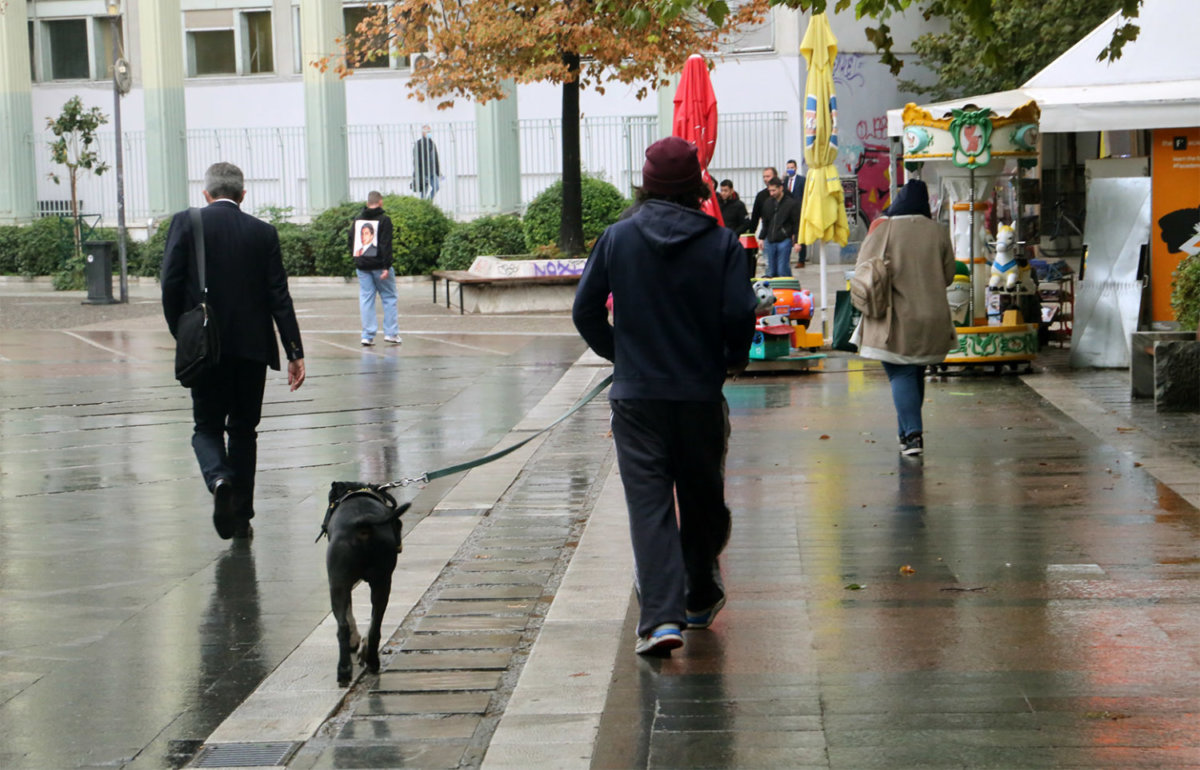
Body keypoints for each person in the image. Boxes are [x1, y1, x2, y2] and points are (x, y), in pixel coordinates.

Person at [573, 136, 757, 657]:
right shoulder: (720, 243)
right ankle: (699, 595)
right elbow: (741, 312)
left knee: (649, 503)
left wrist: (621, 357)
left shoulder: (617, 237)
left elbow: (585, 311)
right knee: (702, 497)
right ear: (697, 185)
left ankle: (660, 620)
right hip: (699, 392)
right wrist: (730, 359)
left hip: (636, 399)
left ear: (647, 184)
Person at [162, 162, 306, 541]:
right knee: (244, 431)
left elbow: (170, 283)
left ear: (206, 193)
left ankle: (219, 478)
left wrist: (182, 332)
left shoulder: (186, 222)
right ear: (243, 196)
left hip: (205, 348)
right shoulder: (263, 232)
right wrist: (294, 350)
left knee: (206, 427)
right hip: (252, 350)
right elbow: (279, 294)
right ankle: (241, 518)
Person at [853, 179, 957, 457]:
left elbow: (863, 270)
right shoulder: (939, 232)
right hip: (933, 318)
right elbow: (948, 276)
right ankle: (905, 434)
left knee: (900, 372)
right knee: (914, 370)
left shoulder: (884, 229)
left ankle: (913, 436)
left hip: (894, 318)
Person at [351, 192, 401, 347]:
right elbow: (386, 244)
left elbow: (350, 240)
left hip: (362, 265)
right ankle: (391, 333)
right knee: (389, 297)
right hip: (380, 265)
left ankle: (367, 335)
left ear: (368, 203)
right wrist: (386, 266)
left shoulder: (358, 219)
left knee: (366, 299)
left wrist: (356, 260)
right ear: (381, 202)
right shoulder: (384, 220)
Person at [759, 177, 803, 278]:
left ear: (781, 188)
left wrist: (796, 241)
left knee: (781, 269)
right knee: (771, 270)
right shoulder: (768, 203)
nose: (771, 193)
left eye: (774, 190)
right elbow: (765, 222)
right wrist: (761, 238)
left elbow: (796, 223)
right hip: (770, 239)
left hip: (784, 239)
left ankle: (786, 287)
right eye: (770, 191)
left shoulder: (791, 204)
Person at [746, 166, 778, 239]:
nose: (765, 179)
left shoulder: (785, 193)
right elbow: (755, 216)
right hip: (767, 233)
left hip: (783, 235)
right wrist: (751, 233)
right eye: (764, 177)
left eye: (768, 176)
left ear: (775, 176)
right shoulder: (761, 195)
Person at [412, 125, 441, 200]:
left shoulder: (432, 143)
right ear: (422, 133)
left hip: (433, 171)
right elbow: (416, 159)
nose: (428, 133)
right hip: (424, 172)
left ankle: (428, 202)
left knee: (436, 187)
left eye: (429, 132)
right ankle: (423, 204)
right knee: (424, 191)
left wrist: (437, 171)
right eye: (426, 132)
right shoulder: (419, 144)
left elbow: (435, 157)